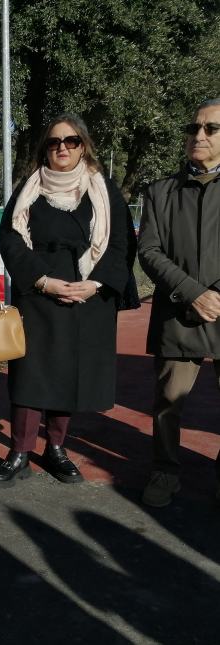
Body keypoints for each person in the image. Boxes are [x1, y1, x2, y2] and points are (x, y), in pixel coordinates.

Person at [0, 113, 133, 489]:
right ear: (45, 148)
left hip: (87, 292)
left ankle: (55, 448)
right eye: (54, 142)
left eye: (71, 141)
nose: (62, 148)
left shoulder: (104, 189)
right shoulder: (28, 188)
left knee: (69, 372)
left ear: (83, 145)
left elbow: (120, 242)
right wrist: (42, 280)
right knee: (30, 372)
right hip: (39, 289)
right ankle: (19, 452)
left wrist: (97, 283)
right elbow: (11, 239)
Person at [138, 97, 220, 508]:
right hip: (178, 314)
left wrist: (216, 297)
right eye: (193, 128)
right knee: (168, 403)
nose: (198, 136)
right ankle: (165, 470)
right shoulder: (160, 192)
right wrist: (193, 293)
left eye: (210, 129)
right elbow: (150, 252)